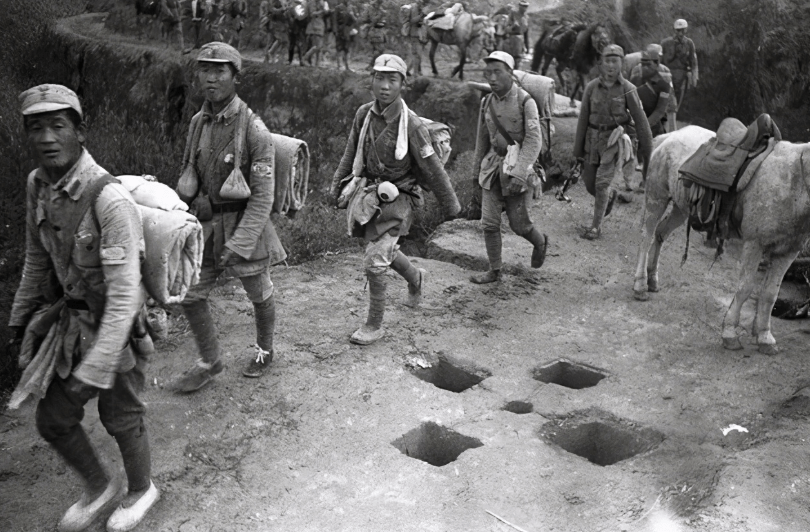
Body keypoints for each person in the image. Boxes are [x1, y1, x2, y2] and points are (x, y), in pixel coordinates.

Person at [9, 84, 159, 532]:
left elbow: (124, 297)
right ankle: (99, 486)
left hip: (116, 327)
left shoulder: (109, 201)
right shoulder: (38, 184)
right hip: (70, 324)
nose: (47, 137)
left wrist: (95, 368)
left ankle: (141, 489)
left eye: (58, 126)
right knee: (53, 419)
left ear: (80, 131)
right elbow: (37, 259)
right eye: (36, 127)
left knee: (121, 416)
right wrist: (20, 318)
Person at [171, 42, 285, 391]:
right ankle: (210, 361)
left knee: (259, 292)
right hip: (207, 226)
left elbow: (262, 196)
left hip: (243, 226)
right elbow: (191, 172)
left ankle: (265, 350)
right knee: (191, 294)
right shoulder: (197, 123)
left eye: (220, 71)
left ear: (236, 77)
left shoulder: (254, 130)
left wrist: (242, 240)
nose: (210, 78)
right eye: (205, 70)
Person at [330, 54, 461, 345]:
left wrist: (451, 204)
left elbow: (432, 168)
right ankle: (415, 277)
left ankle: (374, 324)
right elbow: (351, 153)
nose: (385, 86)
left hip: (400, 197)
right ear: (372, 81)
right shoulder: (364, 114)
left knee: (375, 258)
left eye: (392, 79)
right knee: (382, 249)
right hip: (370, 194)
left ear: (403, 84)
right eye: (379, 78)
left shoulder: (410, 125)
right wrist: (336, 186)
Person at [469, 51, 547, 284]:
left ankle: (540, 241)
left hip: (518, 169)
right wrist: (475, 175)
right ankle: (494, 271)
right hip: (492, 168)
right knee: (489, 223)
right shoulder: (486, 102)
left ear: (510, 74)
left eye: (497, 72)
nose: (492, 78)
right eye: (488, 73)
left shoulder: (525, 102)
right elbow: (481, 139)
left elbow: (534, 140)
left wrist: (521, 173)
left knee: (519, 225)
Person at [573, 44, 652, 240]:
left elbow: (641, 121)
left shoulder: (628, 89)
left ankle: (595, 227)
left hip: (613, 142)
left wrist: (648, 151)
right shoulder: (591, 87)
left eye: (614, 61)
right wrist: (577, 151)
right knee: (590, 183)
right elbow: (582, 119)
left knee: (601, 184)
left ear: (621, 64)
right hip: (591, 141)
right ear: (600, 64)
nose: (610, 65)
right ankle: (608, 197)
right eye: (606, 61)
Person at [661, 19, 698, 112]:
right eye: (678, 30)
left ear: (686, 30)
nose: (680, 33)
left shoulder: (689, 43)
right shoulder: (666, 43)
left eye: (683, 30)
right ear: (674, 30)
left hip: (681, 75)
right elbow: (659, 59)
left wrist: (694, 76)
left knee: (677, 99)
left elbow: (693, 60)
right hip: (667, 73)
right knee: (664, 95)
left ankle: (673, 116)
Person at [633, 47, 670, 137]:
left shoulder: (663, 82)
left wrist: (643, 127)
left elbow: (660, 111)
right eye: (643, 64)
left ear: (657, 63)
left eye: (648, 64)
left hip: (654, 127)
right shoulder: (635, 78)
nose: (645, 68)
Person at [503, 0, 530, 69]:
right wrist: (513, 26)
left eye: (526, 7)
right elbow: (506, 28)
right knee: (509, 59)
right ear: (519, 6)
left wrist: (527, 46)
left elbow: (526, 33)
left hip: (521, 40)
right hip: (511, 38)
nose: (525, 8)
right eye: (523, 6)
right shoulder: (513, 14)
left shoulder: (526, 17)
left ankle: (515, 74)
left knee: (518, 60)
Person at [332, 0, 358, 71]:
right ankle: (339, 65)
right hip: (340, 30)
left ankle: (347, 66)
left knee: (347, 48)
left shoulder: (353, 8)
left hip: (348, 31)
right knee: (339, 48)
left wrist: (352, 15)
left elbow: (356, 20)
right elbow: (334, 20)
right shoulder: (338, 8)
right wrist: (335, 31)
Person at [302, 0, 327, 66]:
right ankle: (305, 58)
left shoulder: (321, 2)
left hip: (320, 26)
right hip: (314, 26)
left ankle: (317, 64)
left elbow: (326, 12)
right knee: (316, 46)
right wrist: (322, 11)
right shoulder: (312, 2)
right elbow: (312, 14)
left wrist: (326, 10)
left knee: (319, 47)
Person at [405, 0, 427, 76]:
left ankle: (407, 70)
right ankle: (415, 73)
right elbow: (412, 21)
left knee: (418, 55)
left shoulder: (420, 8)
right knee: (417, 55)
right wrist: (421, 16)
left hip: (419, 34)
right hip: (414, 34)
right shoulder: (414, 8)